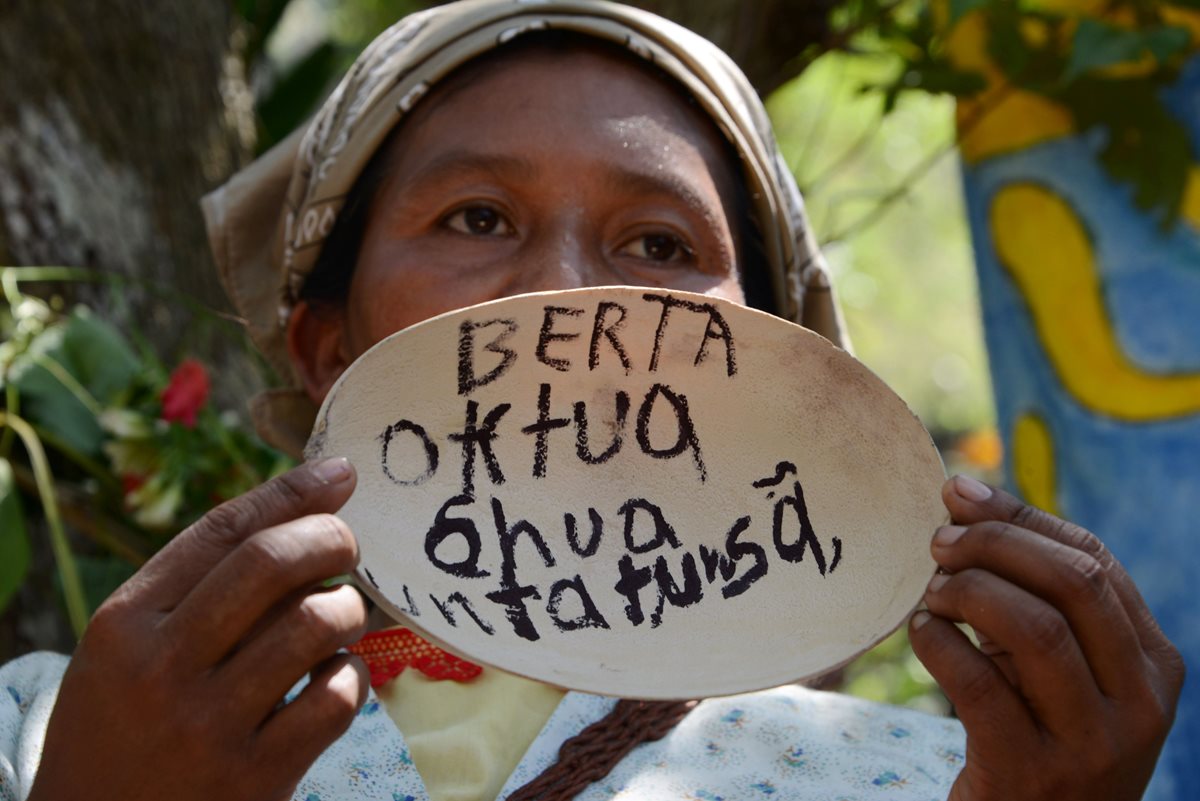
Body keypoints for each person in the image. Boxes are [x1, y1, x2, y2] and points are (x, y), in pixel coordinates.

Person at [0, 2, 1183, 800]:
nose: (567, 292)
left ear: (782, 377)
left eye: (661, 244)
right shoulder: (60, 736)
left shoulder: (928, 778)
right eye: (476, 220)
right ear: (325, 349)